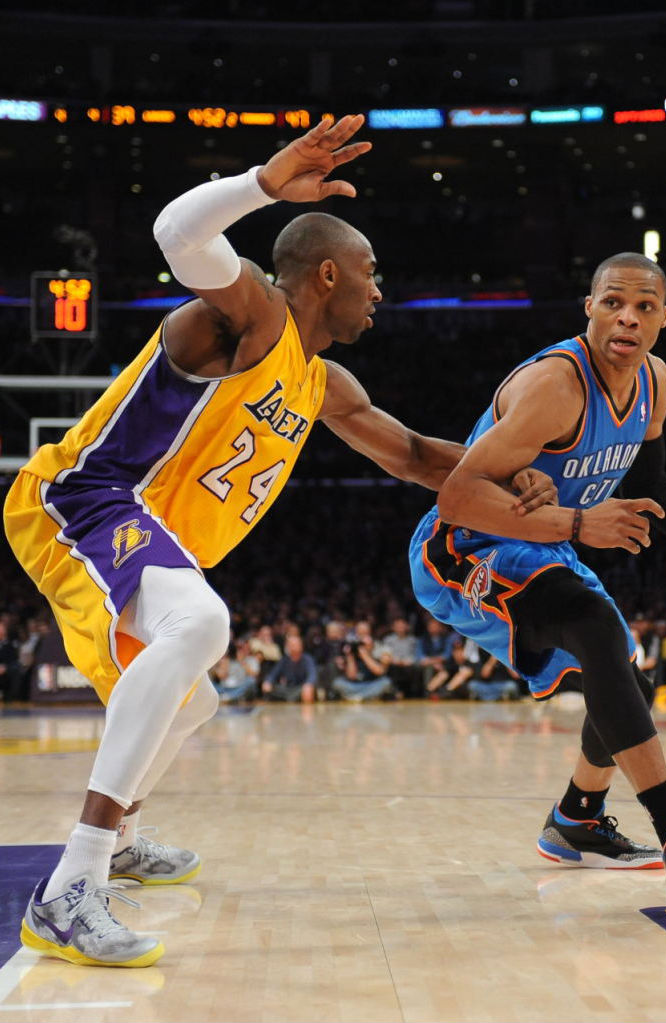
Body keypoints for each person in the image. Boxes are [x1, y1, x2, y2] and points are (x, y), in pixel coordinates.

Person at [3, 114, 554, 968]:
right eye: (370, 274)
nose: (380, 291)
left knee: (197, 699)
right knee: (203, 628)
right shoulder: (251, 313)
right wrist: (264, 184)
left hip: (136, 529)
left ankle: (119, 843)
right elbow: (175, 233)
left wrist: (508, 468)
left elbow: (411, 455)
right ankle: (70, 888)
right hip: (86, 498)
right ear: (326, 272)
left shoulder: (321, 378)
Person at [410, 252, 666, 917]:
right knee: (593, 625)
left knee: (628, 681)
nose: (628, 317)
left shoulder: (655, 382)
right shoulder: (557, 386)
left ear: (664, 318)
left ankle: (577, 816)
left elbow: (649, 485)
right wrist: (578, 520)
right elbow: (457, 498)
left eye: (645, 306)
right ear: (588, 307)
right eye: (614, 301)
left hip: (545, 541)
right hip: (465, 547)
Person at [262, 634, 317, 703]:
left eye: (295, 645)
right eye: (291, 645)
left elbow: (312, 675)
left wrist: (308, 684)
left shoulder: (307, 659)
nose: (293, 647)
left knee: (308, 690)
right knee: (269, 688)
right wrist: (268, 681)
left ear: (301, 646)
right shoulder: (284, 660)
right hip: (287, 688)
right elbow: (273, 674)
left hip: (300, 688)